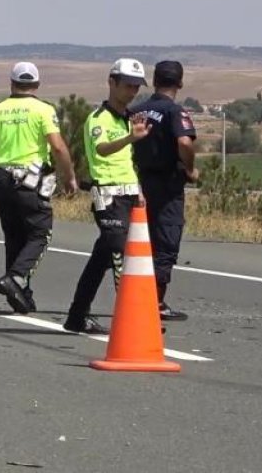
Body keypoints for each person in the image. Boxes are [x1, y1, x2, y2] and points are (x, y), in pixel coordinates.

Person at [0, 62, 78, 314]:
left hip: (2, 178)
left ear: (12, 83)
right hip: (30, 178)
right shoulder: (43, 109)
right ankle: (16, 278)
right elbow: (59, 146)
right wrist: (70, 176)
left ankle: (20, 294)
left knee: (14, 236)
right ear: (37, 85)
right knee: (40, 233)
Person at [64, 58, 151, 334]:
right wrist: (130, 139)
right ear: (112, 83)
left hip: (128, 193)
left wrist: (138, 190)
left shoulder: (129, 119)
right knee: (119, 252)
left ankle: (77, 315)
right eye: (128, 85)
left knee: (100, 258)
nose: (133, 92)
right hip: (108, 195)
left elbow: (127, 160)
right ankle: (133, 317)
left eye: (137, 87)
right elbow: (102, 150)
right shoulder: (98, 118)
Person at [130, 61, 197, 321]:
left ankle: (134, 296)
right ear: (180, 83)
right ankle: (154, 302)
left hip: (138, 181)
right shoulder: (174, 112)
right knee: (166, 243)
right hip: (168, 185)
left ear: (154, 81)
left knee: (138, 242)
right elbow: (184, 142)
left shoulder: (136, 111)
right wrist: (190, 168)